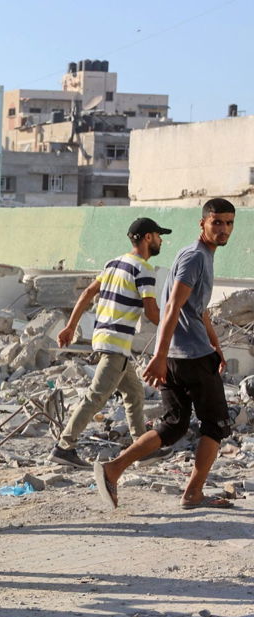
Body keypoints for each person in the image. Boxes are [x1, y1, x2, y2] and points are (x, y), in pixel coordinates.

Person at [96, 198, 238, 511]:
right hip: (188, 356)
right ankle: (193, 494)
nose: (223, 229)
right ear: (202, 224)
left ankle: (113, 469)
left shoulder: (200, 256)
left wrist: (216, 345)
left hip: (184, 354)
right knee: (216, 425)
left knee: (173, 424)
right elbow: (172, 306)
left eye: (228, 223)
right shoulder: (195, 258)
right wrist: (159, 356)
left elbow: (196, 310)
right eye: (217, 223)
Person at [51, 219, 165, 468]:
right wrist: (173, 327)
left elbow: (87, 293)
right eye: (158, 235)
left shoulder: (113, 263)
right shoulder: (144, 269)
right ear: (147, 238)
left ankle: (139, 448)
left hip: (104, 338)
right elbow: (151, 312)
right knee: (96, 396)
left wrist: (71, 326)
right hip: (116, 342)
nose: (161, 240)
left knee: (134, 392)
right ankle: (63, 447)